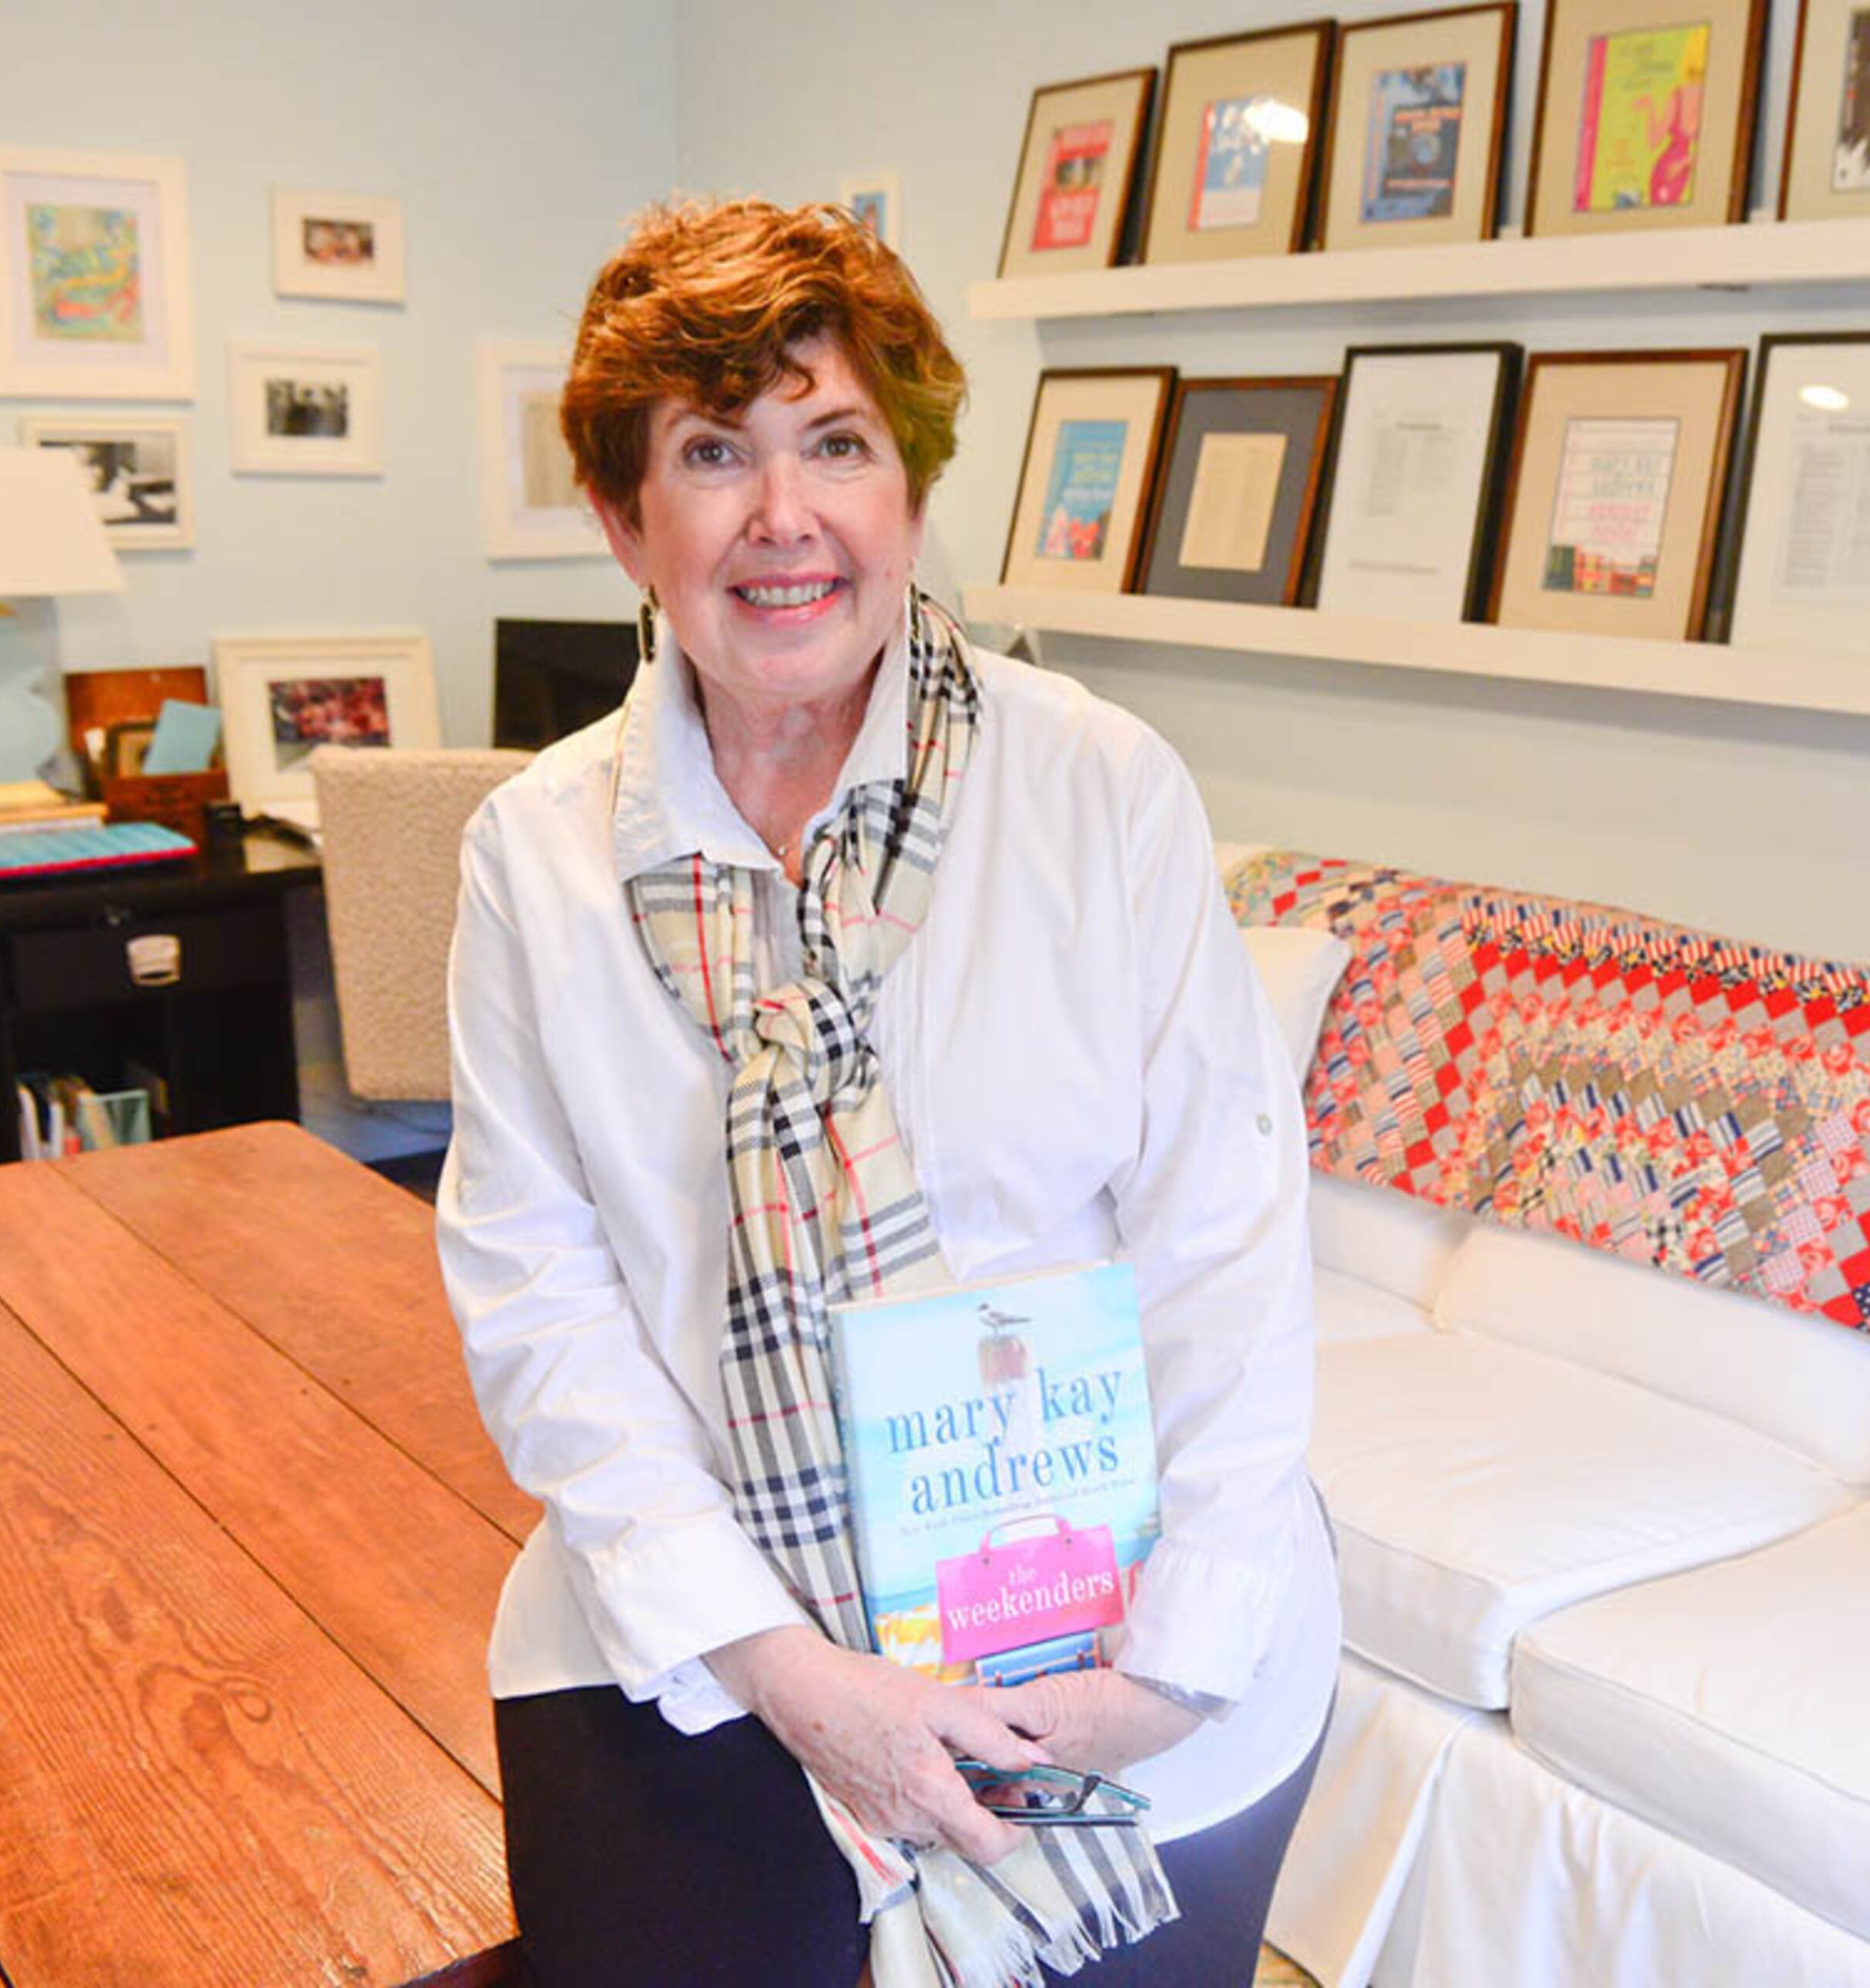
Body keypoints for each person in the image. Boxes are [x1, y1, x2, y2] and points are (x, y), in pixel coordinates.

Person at [437, 197, 1338, 1987]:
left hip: (1119, 1628)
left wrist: (1164, 1666)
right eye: (714, 453)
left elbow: (1226, 1250)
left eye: (836, 443)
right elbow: (543, 1302)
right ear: (626, 521)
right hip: (716, 1613)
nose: (785, 518)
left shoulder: (1098, 788)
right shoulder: (533, 856)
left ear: (908, 492)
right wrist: (790, 1667)